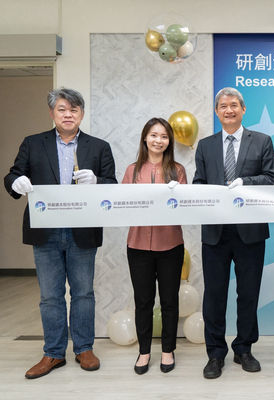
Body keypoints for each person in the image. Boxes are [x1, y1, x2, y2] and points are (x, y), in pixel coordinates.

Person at [4, 87, 116, 379]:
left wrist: (97, 181)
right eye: (62, 109)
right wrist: (16, 182)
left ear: (82, 114)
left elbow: (112, 186)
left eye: (74, 110)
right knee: (50, 296)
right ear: (52, 113)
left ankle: (84, 348)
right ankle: (53, 353)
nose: (68, 115)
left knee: (83, 293)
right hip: (45, 231)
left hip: (83, 230)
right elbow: (13, 175)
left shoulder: (99, 146)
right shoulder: (33, 143)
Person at [193, 87, 274, 379]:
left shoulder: (262, 141)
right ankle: (215, 354)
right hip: (215, 232)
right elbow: (199, 182)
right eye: (223, 106)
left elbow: (271, 179)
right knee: (214, 296)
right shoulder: (205, 145)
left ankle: (244, 349)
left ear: (243, 109)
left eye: (233, 105)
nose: (228, 110)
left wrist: (246, 182)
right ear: (216, 112)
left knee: (248, 293)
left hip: (250, 231)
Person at [121, 118, 187, 375]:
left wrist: (177, 194)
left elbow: (185, 207)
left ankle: (168, 350)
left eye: (164, 136)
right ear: (145, 138)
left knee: (169, 300)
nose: (159, 140)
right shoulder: (132, 170)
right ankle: (144, 351)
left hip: (170, 244)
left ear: (169, 141)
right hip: (138, 245)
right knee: (143, 301)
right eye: (154, 135)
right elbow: (122, 205)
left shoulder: (178, 170)